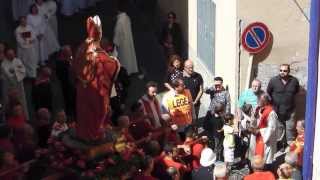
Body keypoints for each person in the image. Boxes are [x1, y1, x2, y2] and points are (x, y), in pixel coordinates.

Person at [73, 15, 120, 141]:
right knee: (97, 110)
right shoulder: (96, 51)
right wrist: (114, 61)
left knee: (84, 110)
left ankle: (83, 133)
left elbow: (76, 62)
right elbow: (107, 64)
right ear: (98, 33)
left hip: (83, 87)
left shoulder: (83, 46)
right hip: (95, 86)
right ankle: (94, 134)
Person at [267, 64, 300, 146]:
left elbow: (296, 91)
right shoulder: (273, 80)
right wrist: (272, 106)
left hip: (290, 110)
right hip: (276, 110)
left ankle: (290, 147)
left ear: (289, 71)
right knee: (279, 129)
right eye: (281, 70)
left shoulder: (294, 81)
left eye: (285, 71)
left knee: (290, 128)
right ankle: (280, 145)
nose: (282, 72)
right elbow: (268, 92)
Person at [248, 93, 279, 168]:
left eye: (260, 99)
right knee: (255, 156)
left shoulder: (271, 113)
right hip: (257, 137)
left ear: (266, 101)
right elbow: (256, 122)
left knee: (264, 159)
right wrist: (254, 118)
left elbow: (272, 128)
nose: (258, 101)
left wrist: (259, 131)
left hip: (264, 138)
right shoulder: (259, 109)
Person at [1, 48, 28, 119]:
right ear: (6, 55)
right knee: (8, 103)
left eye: (13, 54)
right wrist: (14, 72)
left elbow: (23, 71)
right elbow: (7, 74)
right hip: (9, 87)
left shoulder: (18, 61)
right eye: (10, 55)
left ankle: (24, 117)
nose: (12, 56)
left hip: (19, 86)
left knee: (21, 102)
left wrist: (15, 70)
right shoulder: (4, 63)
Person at [113, 2, 139, 75]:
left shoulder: (120, 21)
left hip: (122, 43)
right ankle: (129, 71)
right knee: (129, 57)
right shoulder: (127, 17)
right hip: (128, 40)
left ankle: (124, 72)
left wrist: (116, 42)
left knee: (123, 58)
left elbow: (118, 33)